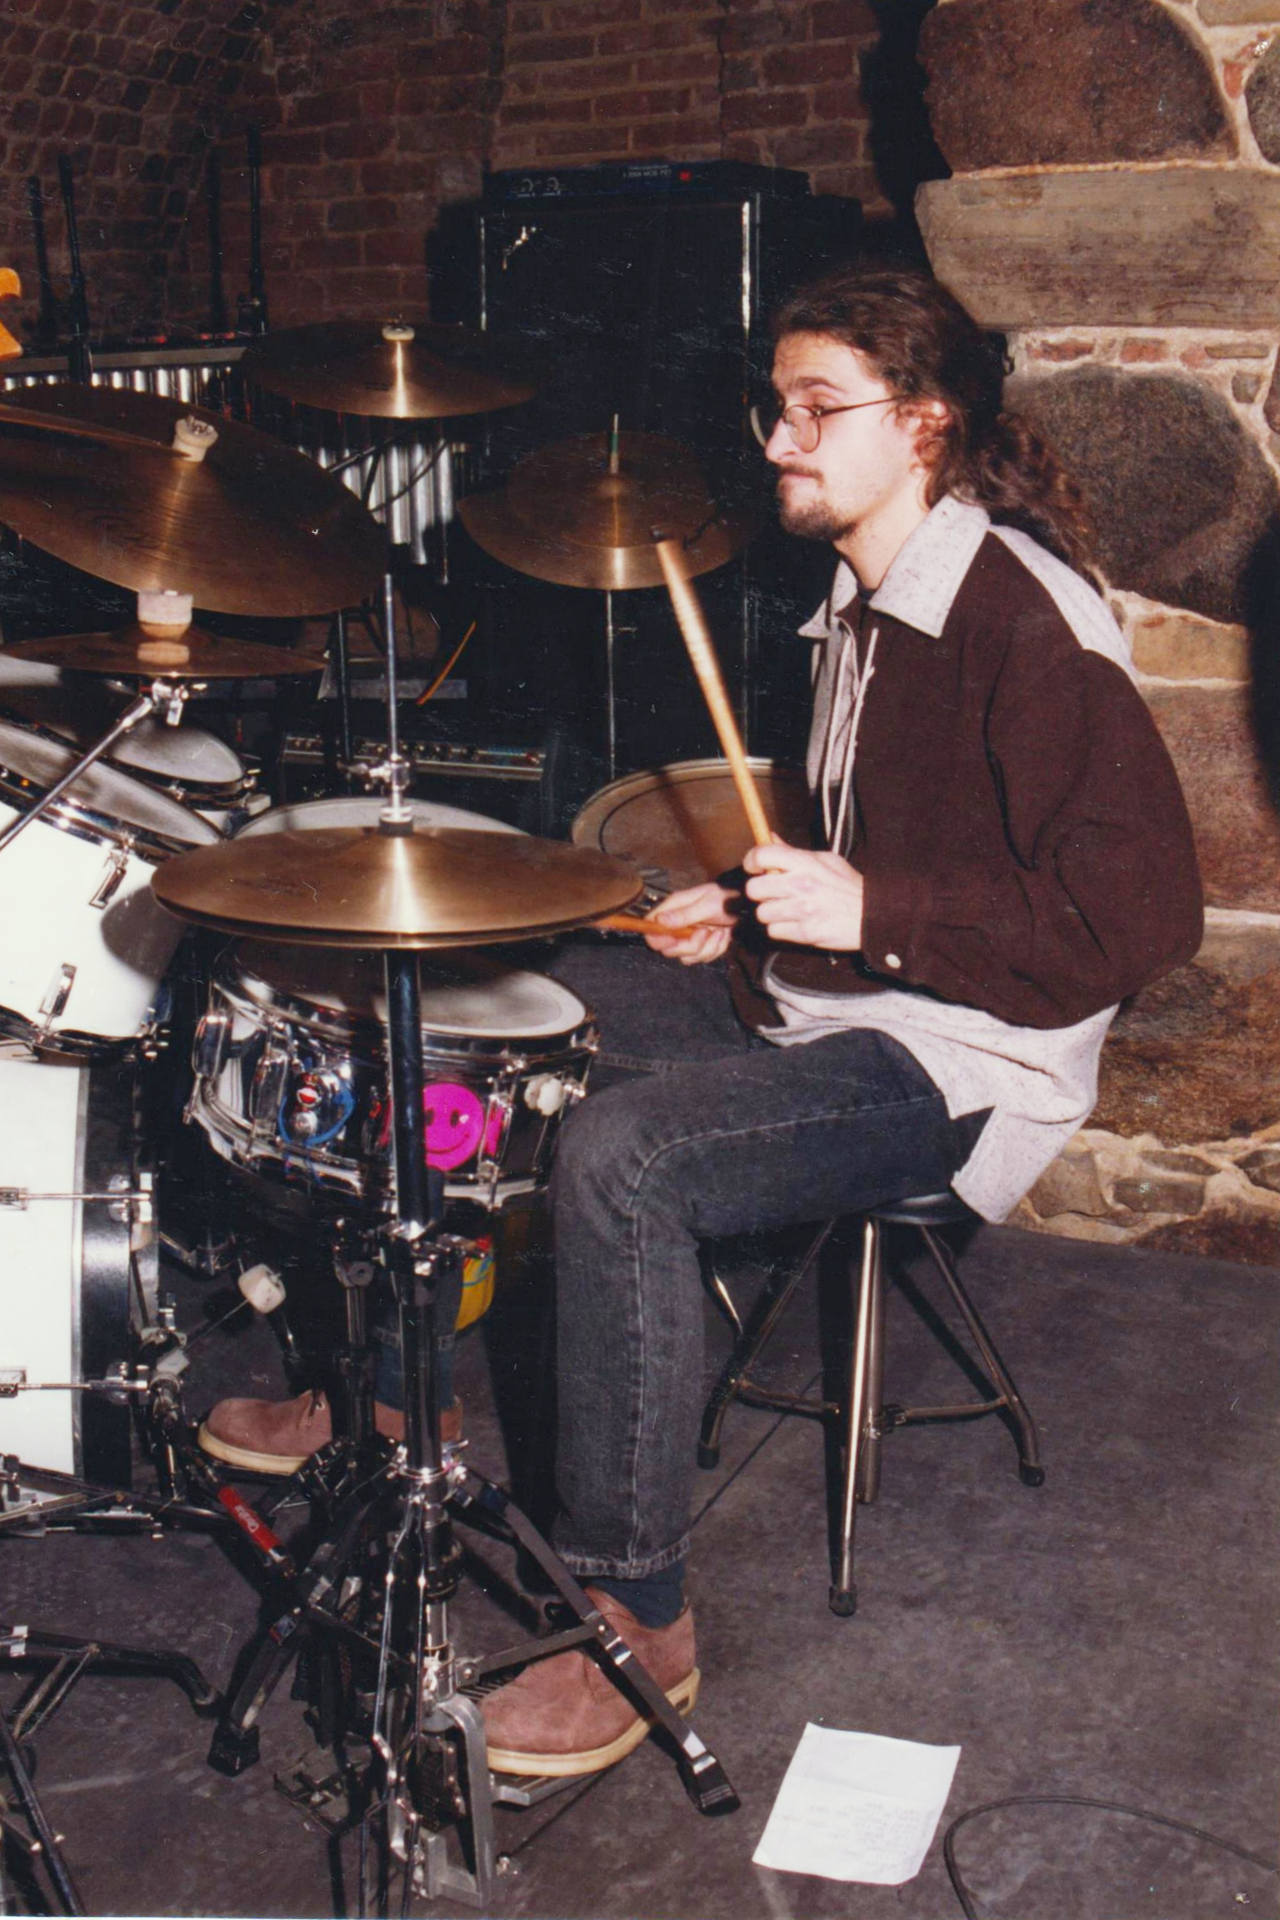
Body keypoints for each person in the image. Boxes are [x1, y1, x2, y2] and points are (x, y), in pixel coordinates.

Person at [201, 263, 1203, 1777]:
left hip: (962, 1053)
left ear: (923, 424)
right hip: (824, 999)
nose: (780, 441)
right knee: (473, 1018)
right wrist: (744, 907)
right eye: (774, 408)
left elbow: (1137, 919)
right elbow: (888, 839)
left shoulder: (1021, 616)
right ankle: (393, 1409)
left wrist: (871, 910)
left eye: (818, 410)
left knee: (626, 1161)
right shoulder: (863, 597)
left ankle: (639, 1619)